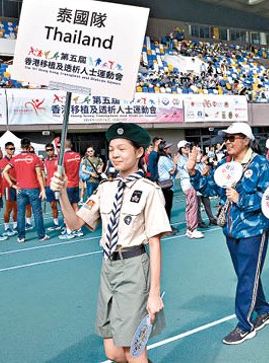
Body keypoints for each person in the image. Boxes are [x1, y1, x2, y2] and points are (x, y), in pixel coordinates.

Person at [50, 123, 170, 363]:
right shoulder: (105, 189)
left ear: (139, 152)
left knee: (134, 351)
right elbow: (74, 224)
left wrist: (154, 293)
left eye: (122, 148)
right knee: (113, 352)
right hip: (108, 268)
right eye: (112, 148)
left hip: (134, 267)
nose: (115, 154)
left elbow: (155, 244)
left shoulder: (149, 190)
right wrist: (62, 193)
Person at [187, 122, 269, 345]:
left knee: (246, 276)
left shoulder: (261, 164)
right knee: (245, 274)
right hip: (231, 228)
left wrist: (242, 199)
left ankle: (245, 325)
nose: (227, 142)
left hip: (254, 229)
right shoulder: (225, 164)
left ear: (246, 140)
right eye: (225, 138)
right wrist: (192, 172)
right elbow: (210, 188)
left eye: (232, 138)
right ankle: (264, 310)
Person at [3, 138, 49, 243]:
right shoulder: (35, 158)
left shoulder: (15, 159)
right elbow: (39, 175)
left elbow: (5, 172)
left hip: (20, 189)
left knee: (20, 213)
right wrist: (43, 189)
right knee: (37, 213)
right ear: (29, 146)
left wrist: (12, 185)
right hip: (33, 188)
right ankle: (41, 235)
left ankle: (21, 237)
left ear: (20, 146)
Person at [176, 140, 204, 239]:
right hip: (188, 184)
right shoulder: (181, 159)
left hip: (188, 184)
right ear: (180, 149)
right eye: (184, 147)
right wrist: (194, 157)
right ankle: (193, 229)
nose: (187, 148)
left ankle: (190, 229)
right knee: (193, 207)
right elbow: (189, 167)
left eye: (188, 146)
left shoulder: (184, 158)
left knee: (190, 206)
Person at [59, 140, 83, 240]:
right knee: (75, 207)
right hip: (75, 184)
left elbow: (61, 173)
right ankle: (78, 229)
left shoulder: (62, 157)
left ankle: (69, 231)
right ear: (71, 145)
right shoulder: (77, 155)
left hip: (67, 185)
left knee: (66, 209)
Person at [157, 142, 178, 235]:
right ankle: (166, 228)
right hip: (166, 185)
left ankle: (167, 226)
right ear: (164, 149)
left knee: (167, 207)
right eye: (168, 147)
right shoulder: (164, 158)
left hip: (166, 185)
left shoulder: (165, 157)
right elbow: (172, 171)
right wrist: (175, 162)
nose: (170, 148)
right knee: (167, 207)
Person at [0, 141, 18, 236]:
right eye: (11, 149)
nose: (12, 150)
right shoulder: (3, 161)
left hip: (16, 186)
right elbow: (5, 173)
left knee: (16, 207)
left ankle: (15, 225)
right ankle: (7, 227)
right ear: (6, 150)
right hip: (8, 186)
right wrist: (16, 180)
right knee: (8, 208)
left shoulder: (15, 160)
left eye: (13, 148)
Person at [43, 143, 61, 231]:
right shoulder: (45, 161)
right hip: (48, 186)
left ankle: (67, 223)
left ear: (53, 150)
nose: (49, 152)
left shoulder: (59, 159)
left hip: (58, 186)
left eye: (51, 150)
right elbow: (45, 174)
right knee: (53, 205)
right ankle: (56, 223)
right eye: (47, 150)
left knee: (63, 206)